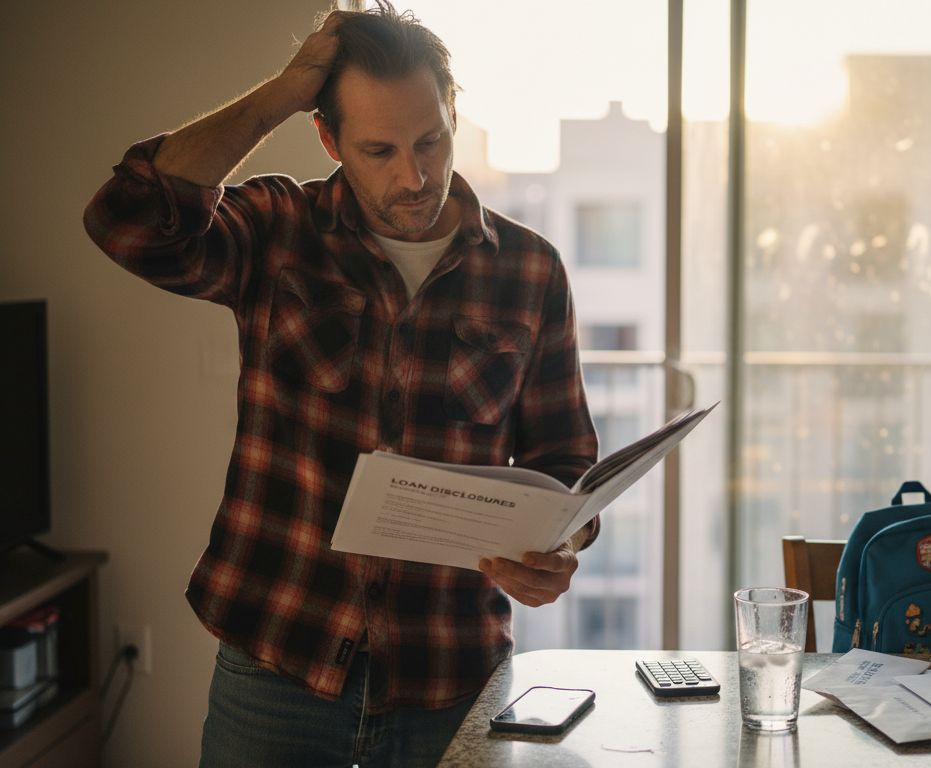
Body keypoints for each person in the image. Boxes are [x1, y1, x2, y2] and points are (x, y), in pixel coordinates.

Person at [82, 3, 598, 766]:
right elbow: (126, 220)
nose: (414, 175)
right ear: (327, 137)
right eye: (379, 149)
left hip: (450, 675)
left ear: (455, 111)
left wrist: (559, 546)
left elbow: (565, 464)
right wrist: (278, 96)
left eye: (431, 140)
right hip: (276, 665)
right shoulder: (274, 230)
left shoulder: (531, 270)